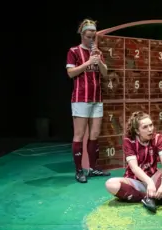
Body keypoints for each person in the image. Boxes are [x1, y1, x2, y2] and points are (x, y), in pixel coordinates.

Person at [105, 111, 162, 213]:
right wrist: (148, 182)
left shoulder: (158, 138)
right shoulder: (128, 141)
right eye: (145, 127)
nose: (150, 129)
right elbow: (134, 168)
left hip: (154, 179)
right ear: (137, 131)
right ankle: (152, 198)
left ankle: (151, 197)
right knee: (110, 184)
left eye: (151, 125)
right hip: (135, 181)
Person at [66, 18, 110, 183]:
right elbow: (71, 73)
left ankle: (93, 168)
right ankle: (79, 171)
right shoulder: (74, 51)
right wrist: (88, 62)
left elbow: (105, 74)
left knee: (95, 134)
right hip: (80, 98)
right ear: (82, 34)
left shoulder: (98, 52)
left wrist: (98, 62)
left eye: (93, 36)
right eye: (88, 36)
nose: (91, 39)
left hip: (97, 98)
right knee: (79, 135)